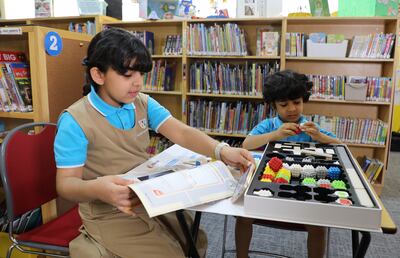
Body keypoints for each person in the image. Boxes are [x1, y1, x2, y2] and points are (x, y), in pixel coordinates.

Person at [54, 27, 254, 258]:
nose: (138, 83)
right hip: (107, 212)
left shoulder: (141, 102)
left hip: (147, 197)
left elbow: (180, 132)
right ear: (98, 75)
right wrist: (98, 188)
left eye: (141, 73)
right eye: (128, 75)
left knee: (196, 240)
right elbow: (66, 186)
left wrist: (221, 150)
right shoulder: (75, 121)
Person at [235, 70, 341, 258]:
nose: (292, 109)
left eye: (297, 102)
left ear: (304, 100)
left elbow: (342, 147)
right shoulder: (269, 125)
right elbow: (246, 144)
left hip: (303, 185)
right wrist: (275, 135)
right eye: (284, 104)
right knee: (244, 215)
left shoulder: (310, 127)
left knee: (318, 225)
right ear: (274, 105)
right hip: (269, 182)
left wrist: (320, 136)